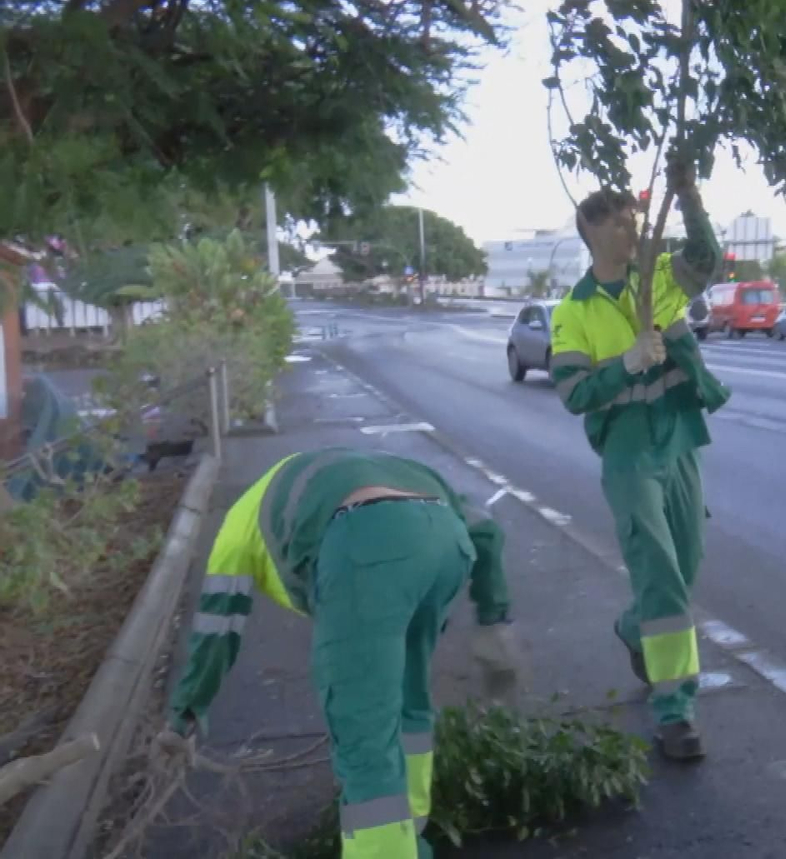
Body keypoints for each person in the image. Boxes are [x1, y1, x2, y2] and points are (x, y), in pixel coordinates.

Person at [160, 447, 518, 859]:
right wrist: (495, 620)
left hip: (364, 549)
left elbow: (217, 629)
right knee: (408, 703)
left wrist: (185, 714)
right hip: (445, 545)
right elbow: (485, 529)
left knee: (363, 735)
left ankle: (383, 851)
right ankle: (410, 837)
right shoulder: (386, 466)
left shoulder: (239, 523)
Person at [549, 157, 729, 760]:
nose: (634, 230)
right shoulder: (574, 310)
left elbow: (708, 259)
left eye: (636, 219)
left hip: (678, 437)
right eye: (623, 223)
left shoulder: (659, 279)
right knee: (660, 576)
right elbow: (575, 393)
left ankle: (633, 628)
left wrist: (689, 195)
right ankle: (675, 710)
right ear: (592, 231)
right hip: (627, 450)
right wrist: (627, 360)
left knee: (686, 564)